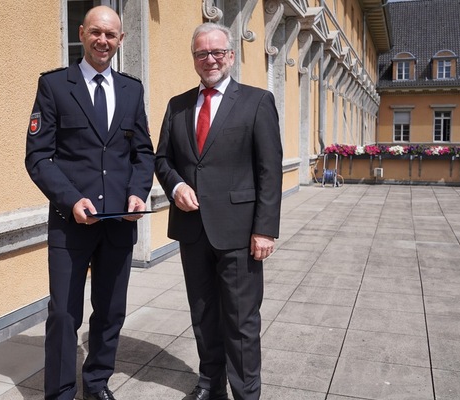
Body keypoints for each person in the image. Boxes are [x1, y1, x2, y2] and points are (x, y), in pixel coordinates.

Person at [24, 6, 154, 400]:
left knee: (111, 311)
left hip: (118, 222)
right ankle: (61, 393)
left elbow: (143, 153)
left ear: (121, 40)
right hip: (70, 222)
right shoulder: (55, 86)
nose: (103, 41)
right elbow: (37, 156)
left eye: (111, 35)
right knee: (64, 314)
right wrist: (70, 199)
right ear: (82, 33)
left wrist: (137, 191)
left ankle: (96, 384)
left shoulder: (132, 90)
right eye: (96, 32)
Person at [154, 23, 282, 400]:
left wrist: (265, 229)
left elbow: (269, 169)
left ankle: (245, 393)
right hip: (193, 232)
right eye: (201, 53)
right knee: (203, 315)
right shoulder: (177, 105)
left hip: (240, 233)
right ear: (193, 58)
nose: (209, 59)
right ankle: (211, 384)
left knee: (241, 322)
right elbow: (163, 158)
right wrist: (176, 186)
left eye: (216, 52)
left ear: (230, 55)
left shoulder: (257, 101)